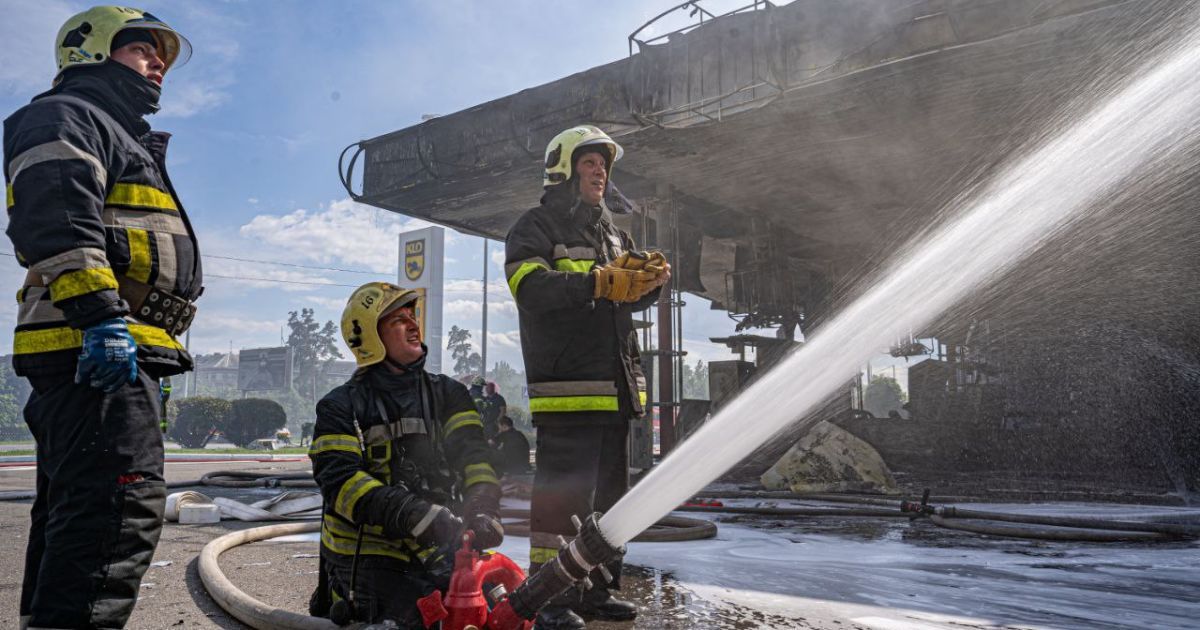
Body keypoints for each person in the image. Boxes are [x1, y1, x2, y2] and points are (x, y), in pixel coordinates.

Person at [4, 7, 200, 628]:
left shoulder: (114, 131)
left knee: (77, 514)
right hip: (95, 347)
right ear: (89, 50)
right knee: (116, 512)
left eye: (161, 54)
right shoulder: (69, 116)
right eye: (141, 48)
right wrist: (100, 319)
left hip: (107, 346)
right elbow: (58, 215)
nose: (158, 62)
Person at [504, 124, 670, 628]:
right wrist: (598, 281)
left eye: (604, 164)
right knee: (564, 500)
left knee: (610, 500)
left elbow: (623, 295)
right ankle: (552, 599)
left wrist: (650, 285)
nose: (600, 171)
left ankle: (595, 591)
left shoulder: (615, 233)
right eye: (589, 162)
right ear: (564, 167)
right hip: (568, 389)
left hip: (616, 388)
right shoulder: (535, 226)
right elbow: (530, 289)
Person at [308, 282, 503, 627]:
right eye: (398, 319)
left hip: (439, 543)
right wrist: (414, 514)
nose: (414, 325)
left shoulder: (449, 394)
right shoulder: (341, 406)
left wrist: (483, 504)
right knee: (420, 618)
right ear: (369, 337)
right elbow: (341, 485)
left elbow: (473, 456)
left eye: (412, 315)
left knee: (490, 610)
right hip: (369, 552)